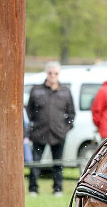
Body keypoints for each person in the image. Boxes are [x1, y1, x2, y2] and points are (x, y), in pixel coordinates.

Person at [26, 61, 75, 196]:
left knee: (58, 163)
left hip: (58, 134)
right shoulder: (37, 90)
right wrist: (33, 126)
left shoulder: (65, 92)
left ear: (59, 74)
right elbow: (29, 111)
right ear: (46, 73)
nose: (53, 75)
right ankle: (33, 189)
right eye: (50, 73)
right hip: (39, 133)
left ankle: (58, 189)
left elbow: (71, 114)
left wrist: (65, 129)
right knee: (36, 162)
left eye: (56, 73)